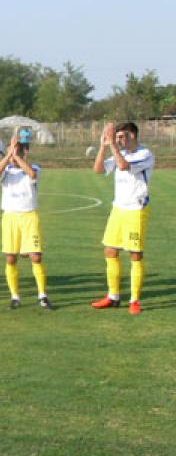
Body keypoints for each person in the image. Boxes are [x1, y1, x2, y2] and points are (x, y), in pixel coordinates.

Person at [91, 121, 153, 315]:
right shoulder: (119, 152)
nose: (118, 139)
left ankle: (134, 300)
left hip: (136, 209)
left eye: (121, 136)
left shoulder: (145, 154)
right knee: (110, 250)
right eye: (116, 136)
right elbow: (98, 170)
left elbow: (124, 166)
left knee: (135, 254)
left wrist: (112, 145)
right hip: (118, 209)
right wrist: (103, 146)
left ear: (132, 135)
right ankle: (113, 296)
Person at [0, 129, 53, 310]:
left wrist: (17, 157)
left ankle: (42, 295)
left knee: (36, 256)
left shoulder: (34, 168)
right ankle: (15, 296)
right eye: (11, 152)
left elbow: (32, 175)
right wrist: (8, 156)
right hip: (10, 217)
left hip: (29, 216)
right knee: (11, 258)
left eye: (17, 152)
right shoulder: (6, 171)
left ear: (24, 152)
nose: (13, 156)